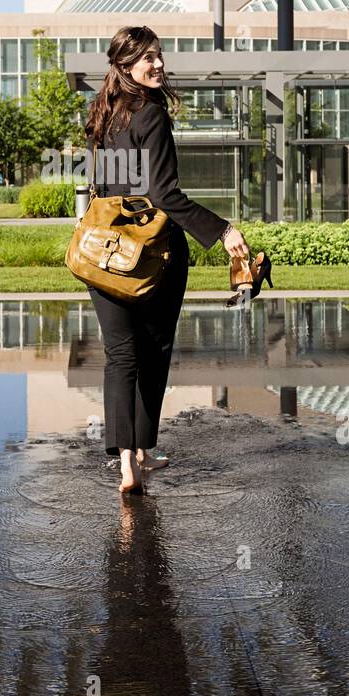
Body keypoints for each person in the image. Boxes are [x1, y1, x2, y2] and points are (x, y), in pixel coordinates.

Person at [85, 25, 249, 496]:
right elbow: (163, 194)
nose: (157, 64)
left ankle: (126, 462)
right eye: (146, 58)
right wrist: (222, 230)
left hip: (105, 250)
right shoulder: (151, 113)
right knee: (152, 354)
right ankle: (142, 450)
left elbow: (113, 184)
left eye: (158, 55)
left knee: (120, 356)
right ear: (125, 66)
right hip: (152, 254)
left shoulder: (103, 111)